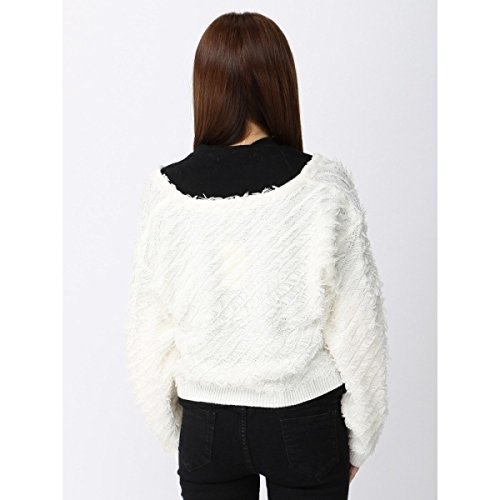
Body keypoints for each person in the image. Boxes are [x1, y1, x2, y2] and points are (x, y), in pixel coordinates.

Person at [125, 11, 389, 500]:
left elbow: (148, 336)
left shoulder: (164, 197)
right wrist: (360, 438)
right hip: (304, 422)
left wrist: (181, 435)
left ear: (205, 87)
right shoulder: (322, 188)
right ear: (280, 83)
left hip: (207, 425)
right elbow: (359, 330)